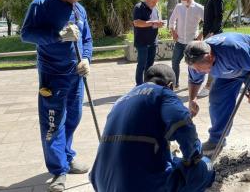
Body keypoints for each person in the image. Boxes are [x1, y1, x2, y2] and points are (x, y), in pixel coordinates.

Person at [21, 0, 93, 192]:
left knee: (74, 117)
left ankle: (67, 155)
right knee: (53, 123)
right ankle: (58, 170)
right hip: (53, 76)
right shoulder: (41, 4)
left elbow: (87, 39)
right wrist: (57, 36)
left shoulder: (79, 10)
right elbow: (26, 34)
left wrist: (87, 59)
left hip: (76, 76)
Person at [89, 64, 215, 192]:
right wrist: (194, 157)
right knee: (205, 166)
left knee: (172, 159)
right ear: (170, 85)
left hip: (100, 182)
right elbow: (183, 125)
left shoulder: (120, 101)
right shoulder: (163, 94)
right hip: (140, 185)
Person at [184, 33, 250, 158]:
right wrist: (192, 99)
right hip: (229, 70)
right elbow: (194, 80)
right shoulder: (195, 59)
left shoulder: (233, 49)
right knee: (217, 100)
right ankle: (216, 140)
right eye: (195, 69)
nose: (197, 72)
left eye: (200, 69)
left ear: (210, 57)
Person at [169, 0, 204, 89]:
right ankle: (175, 83)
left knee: (192, 64)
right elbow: (172, 21)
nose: (182, 1)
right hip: (179, 41)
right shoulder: (178, 7)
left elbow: (207, 22)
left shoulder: (199, 8)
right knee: (175, 61)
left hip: (192, 42)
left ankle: (192, 82)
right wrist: (173, 32)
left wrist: (200, 35)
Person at [198, 0, 224, 97]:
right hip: (208, 34)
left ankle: (209, 87)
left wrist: (211, 33)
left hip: (214, 35)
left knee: (211, 60)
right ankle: (213, 85)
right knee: (212, 60)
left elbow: (219, 17)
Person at [132, 0, 164, 86]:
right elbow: (137, 23)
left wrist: (159, 24)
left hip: (153, 41)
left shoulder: (155, 9)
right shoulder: (138, 7)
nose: (155, 4)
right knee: (141, 65)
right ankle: (139, 86)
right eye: (153, 2)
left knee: (150, 66)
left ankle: (148, 84)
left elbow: (154, 22)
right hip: (142, 42)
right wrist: (154, 23)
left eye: (156, 2)